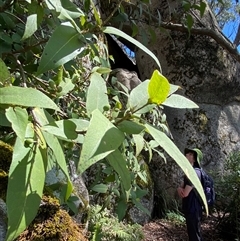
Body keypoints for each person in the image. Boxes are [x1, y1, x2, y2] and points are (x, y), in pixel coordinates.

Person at [177, 148, 204, 241]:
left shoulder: (194, 173)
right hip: (191, 207)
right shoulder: (190, 171)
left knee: (195, 234)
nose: (187, 155)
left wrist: (180, 189)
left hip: (194, 208)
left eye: (190, 154)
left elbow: (184, 193)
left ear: (195, 159)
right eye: (187, 153)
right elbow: (181, 188)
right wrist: (180, 188)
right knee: (194, 232)